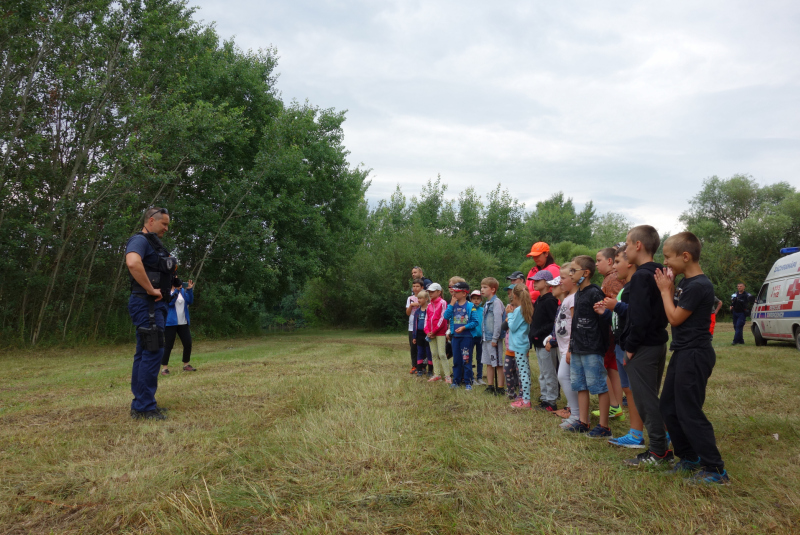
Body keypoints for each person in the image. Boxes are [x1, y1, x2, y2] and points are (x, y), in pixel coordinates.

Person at [655, 232, 729, 484]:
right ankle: (689, 458)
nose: (665, 262)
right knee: (668, 406)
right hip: (683, 351)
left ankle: (715, 469)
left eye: (668, 257)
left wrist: (666, 291)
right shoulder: (687, 282)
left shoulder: (699, 285)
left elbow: (674, 318)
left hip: (695, 354)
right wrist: (671, 285)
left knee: (689, 411)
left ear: (685, 256)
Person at [621, 225, 671, 467]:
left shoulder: (641, 276)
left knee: (645, 400)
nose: (626, 249)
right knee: (651, 396)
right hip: (658, 342)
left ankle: (658, 452)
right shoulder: (660, 272)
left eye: (627, 244)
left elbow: (638, 317)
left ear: (638, 245)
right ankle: (663, 446)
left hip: (643, 347)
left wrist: (630, 347)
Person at [124, 207, 178, 420]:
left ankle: (140, 404)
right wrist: (149, 288)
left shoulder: (155, 245)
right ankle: (145, 408)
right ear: (151, 221)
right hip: (147, 304)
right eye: (164, 224)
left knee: (145, 351)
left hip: (155, 305)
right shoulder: (140, 240)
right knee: (153, 351)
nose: (166, 228)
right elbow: (132, 262)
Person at [595, 245, 646, 449]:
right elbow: (619, 315)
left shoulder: (628, 286)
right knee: (628, 389)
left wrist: (614, 306)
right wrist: (606, 312)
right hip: (619, 342)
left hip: (629, 344)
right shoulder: (625, 286)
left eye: (617, 262)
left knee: (640, 390)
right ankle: (635, 433)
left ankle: (662, 432)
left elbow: (635, 315)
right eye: (613, 262)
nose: (614, 268)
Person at [565, 256, 612, 437]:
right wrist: (571, 346)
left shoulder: (594, 293)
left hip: (592, 347)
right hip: (578, 347)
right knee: (580, 385)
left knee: (599, 385)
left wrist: (600, 345)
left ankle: (604, 426)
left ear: (585, 273)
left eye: (573, 270)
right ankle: (583, 421)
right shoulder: (578, 293)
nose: (570, 274)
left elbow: (603, 322)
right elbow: (576, 322)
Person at [595, 247, 624, 421]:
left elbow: (614, 305)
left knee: (602, 367)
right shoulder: (612, 278)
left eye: (599, 260)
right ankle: (617, 407)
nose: (597, 264)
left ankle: (613, 405)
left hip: (610, 331)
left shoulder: (612, 279)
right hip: (615, 331)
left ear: (610, 261)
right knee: (614, 368)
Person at [549, 263, 580, 429]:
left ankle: (577, 414)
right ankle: (575, 413)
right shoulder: (567, 299)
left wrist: (570, 348)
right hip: (564, 347)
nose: (559, 281)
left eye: (562, 278)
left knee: (565, 377)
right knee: (565, 377)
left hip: (570, 347)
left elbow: (575, 325)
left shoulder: (574, 299)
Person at [528, 270, 559, 411]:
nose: (534, 283)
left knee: (549, 372)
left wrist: (538, 332)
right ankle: (545, 397)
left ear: (547, 283)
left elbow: (553, 322)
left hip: (546, 342)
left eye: (537, 281)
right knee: (543, 372)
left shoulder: (550, 300)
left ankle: (551, 401)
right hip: (538, 341)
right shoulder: (540, 299)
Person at [443, 281, 480, 390]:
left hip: (467, 337)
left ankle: (468, 382)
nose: (453, 294)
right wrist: (451, 305)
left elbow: (475, 322)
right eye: (453, 292)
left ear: (464, 293)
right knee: (456, 361)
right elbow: (446, 316)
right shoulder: (452, 305)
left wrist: (464, 327)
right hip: (455, 338)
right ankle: (456, 381)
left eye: (456, 292)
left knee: (466, 360)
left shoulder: (470, 306)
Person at [161, 277, 196, 375]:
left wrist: (189, 290)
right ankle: (164, 368)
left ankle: (186, 364)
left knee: (187, 343)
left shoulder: (183, 292)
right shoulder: (167, 292)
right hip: (170, 323)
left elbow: (190, 301)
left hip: (183, 322)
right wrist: (176, 290)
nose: (179, 284)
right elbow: (170, 303)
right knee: (168, 345)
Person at [507, 284, 533, 408]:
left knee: (523, 373)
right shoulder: (526, 307)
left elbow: (512, 327)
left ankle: (526, 401)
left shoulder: (518, 310)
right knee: (524, 372)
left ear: (515, 296)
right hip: (522, 343)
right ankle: (525, 398)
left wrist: (509, 314)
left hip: (519, 345)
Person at [480, 278, 506, 396]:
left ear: (493, 289)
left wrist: (495, 338)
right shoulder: (486, 303)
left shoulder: (497, 303)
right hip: (486, 338)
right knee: (488, 362)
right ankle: (490, 385)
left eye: (485, 287)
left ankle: (500, 387)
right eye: (481, 287)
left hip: (493, 339)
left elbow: (497, 322)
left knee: (498, 363)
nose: (482, 290)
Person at [424, 283, 451, 383]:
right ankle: (437, 374)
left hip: (440, 333)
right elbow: (426, 319)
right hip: (431, 333)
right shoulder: (429, 305)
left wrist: (434, 331)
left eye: (432, 291)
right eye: (429, 292)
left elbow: (442, 318)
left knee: (442, 354)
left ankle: (447, 376)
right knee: (434, 354)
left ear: (439, 292)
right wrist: (427, 331)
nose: (430, 293)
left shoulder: (443, 303)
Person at [503, 284, 521, 400]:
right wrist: (509, 315)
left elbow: (514, 327)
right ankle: (510, 392)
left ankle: (522, 394)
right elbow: (504, 327)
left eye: (514, 306)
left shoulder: (520, 314)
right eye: (511, 305)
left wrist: (511, 315)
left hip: (519, 349)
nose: (512, 308)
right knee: (507, 371)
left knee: (520, 374)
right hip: (509, 350)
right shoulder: (509, 316)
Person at [412, 290, 433, 376]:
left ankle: (430, 371)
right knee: (420, 352)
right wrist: (414, 336)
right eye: (418, 298)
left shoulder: (430, 309)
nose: (419, 300)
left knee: (429, 352)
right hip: (419, 334)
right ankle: (419, 369)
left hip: (427, 334)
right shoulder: (417, 311)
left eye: (421, 298)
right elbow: (414, 325)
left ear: (426, 299)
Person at [406, 279, 424, 374]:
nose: (415, 288)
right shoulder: (410, 298)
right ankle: (414, 365)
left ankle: (422, 366)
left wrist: (420, 304)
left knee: (422, 346)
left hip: (422, 325)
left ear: (422, 287)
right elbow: (408, 313)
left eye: (417, 286)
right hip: (412, 325)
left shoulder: (425, 298)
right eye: (414, 286)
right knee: (413, 346)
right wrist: (411, 305)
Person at [469, 290, 485, 385]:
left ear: (481, 300)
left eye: (478, 299)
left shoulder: (483, 310)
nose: (476, 301)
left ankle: (479, 377)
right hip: (471, 336)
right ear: (470, 299)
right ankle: (471, 377)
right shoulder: (469, 309)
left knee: (480, 358)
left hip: (480, 337)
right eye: (474, 299)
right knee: (469, 357)